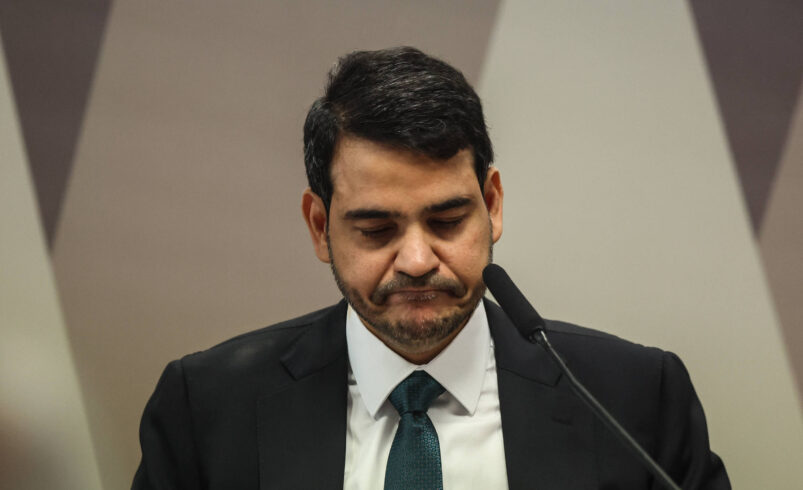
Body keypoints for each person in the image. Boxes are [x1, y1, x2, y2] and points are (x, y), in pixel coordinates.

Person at [132, 47, 730, 489]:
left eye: (446, 221)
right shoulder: (207, 407)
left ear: (492, 205)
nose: (417, 261)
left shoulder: (634, 399)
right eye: (376, 230)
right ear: (319, 226)